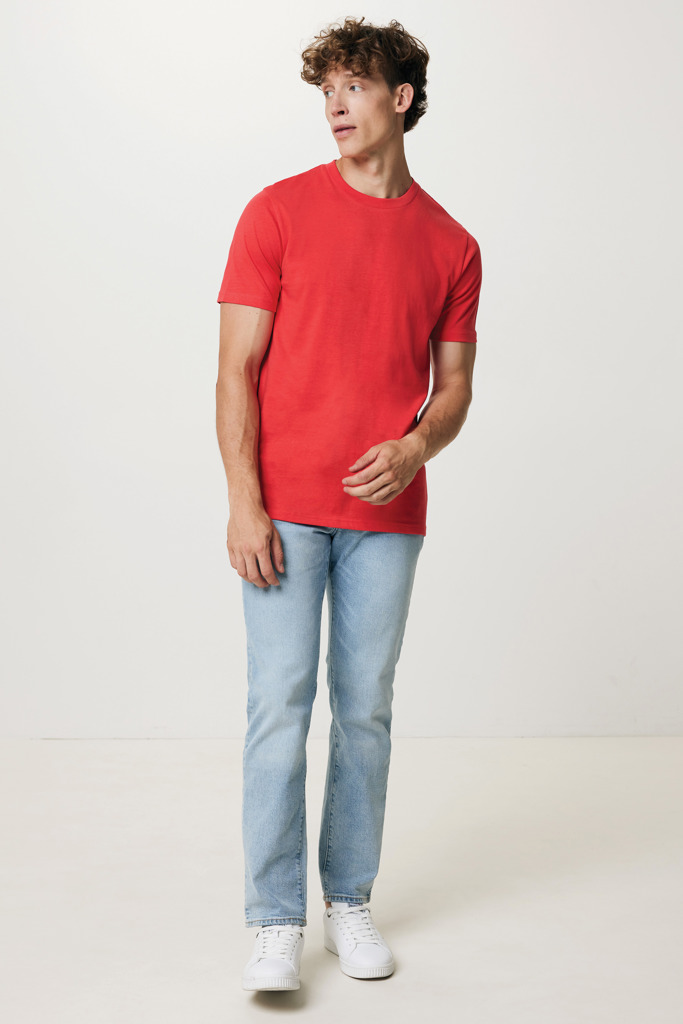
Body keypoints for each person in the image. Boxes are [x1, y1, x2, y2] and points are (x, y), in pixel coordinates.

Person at [215, 15, 482, 992]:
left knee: (364, 709)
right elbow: (234, 372)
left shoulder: (451, 245)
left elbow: (453, 387)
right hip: (283, 510)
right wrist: (244, 503)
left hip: (386, 521)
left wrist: (414, 445)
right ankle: (274, 919)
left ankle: (349, 900)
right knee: (278, 707)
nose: (333, 104)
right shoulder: (275, 213)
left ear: (400, 98)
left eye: (354, 86)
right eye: (324, 88)